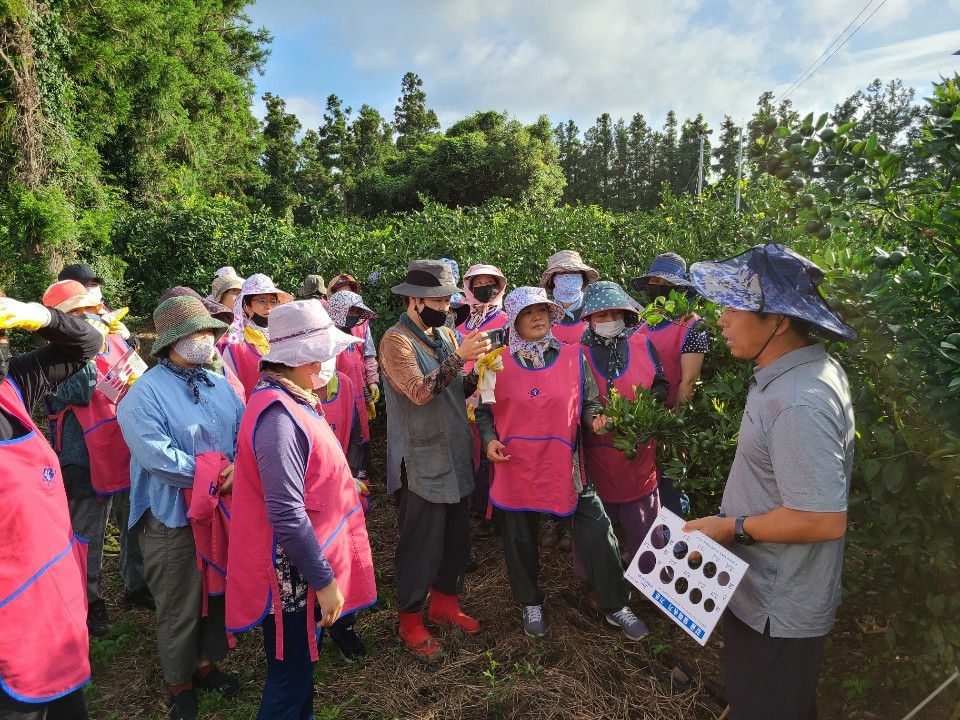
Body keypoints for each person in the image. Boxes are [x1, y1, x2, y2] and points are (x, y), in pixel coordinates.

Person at [683, 243, 856, 720]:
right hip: (764, 596)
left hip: (776, 612)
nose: (720, 320)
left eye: (734, 307)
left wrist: (729, 528)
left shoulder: (799, 400)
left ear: (778, 320)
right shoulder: (791, 376)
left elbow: (822, 520)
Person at [226, 301, 376, 719]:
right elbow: (287, 514)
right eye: (327, 353)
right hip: (290, 582)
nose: (334, 360)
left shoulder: (293, 399)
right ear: (307, 360)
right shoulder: (278, 417)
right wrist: (325, 581)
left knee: (301, 672)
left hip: (300, 572)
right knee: (289, 678)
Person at [474, 287, 648, 639]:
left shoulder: (573, 357)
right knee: (520, 537)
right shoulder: (493, 362)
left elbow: (589, 402)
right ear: (515, 319)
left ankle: (615, 603)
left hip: (566, 464)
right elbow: (483, 411)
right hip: (515, 463)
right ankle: (530, 602)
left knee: (598, 530)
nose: (538, 317)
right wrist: (490, 438)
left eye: (543, 310)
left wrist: (595, 417)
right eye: (528, 312)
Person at [117, 296, 245, 720]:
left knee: (216, 590)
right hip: (171, 516)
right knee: (178, 601)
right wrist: (215, 473)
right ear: (172, 340)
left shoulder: (218, 383)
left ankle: (206, 665)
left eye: (210, 331)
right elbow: (158, 458)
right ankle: (179, 683)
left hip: (221, 512)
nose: (207, 339)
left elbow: (243, 431)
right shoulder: (144, 395)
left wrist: (238, 468)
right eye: (198, 332)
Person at [379, 259, 491, 658]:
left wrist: (482, 373)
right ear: (412, 299)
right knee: (420, 543)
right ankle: (409, 620)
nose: (444, 306)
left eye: (446, 299)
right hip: (422, 458)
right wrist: (460, 357)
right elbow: (420, 391)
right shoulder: (396, 342)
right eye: (436, 299)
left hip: (455, 452)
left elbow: (453, 389)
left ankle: (446, 604)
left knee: (455, 539)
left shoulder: (443, 333)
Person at [0, 290, 102, 720]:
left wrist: (37, 315)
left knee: (64, 700)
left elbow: (86, 345)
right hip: (10, 608)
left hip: (47, 593)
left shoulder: (14, 383)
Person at [42, 281, 144, 638]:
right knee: (89, 532)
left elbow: (138, 378)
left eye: (89, 310)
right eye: (76, 313)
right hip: (81, 456)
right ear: (56, 320)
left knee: (132, 519)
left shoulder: (109, 338)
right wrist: (88, 348)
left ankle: (137, 584)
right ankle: (89, 601)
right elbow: (80, 392)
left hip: (121, 445)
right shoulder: (49, 359)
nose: (87, 318)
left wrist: (124, 344)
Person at [578, 281, 668, 574]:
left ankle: (650, 580)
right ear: (589, 319)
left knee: (643, 519)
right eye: (601, 316)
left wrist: (646, 406)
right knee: (598, 525)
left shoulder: (643, 345)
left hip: (638, 453)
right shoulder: (576, 354)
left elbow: (662, 385)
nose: (609, 321)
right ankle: (601, 582)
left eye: (615, 314)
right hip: (596, 456)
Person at [632, 252, 710, 515]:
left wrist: (675, 426)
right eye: (654, 282)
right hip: (644, 419)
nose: (657, 287)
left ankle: (676, 545)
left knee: (671, 486)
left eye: (664, 284)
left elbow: (689, 380)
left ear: (678, 288)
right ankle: (649, 541)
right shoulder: (646, 321)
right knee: (646, 486)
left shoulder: (692, 325)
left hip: (670, 418)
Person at [455, 264, 509, 540]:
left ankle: (492, 515)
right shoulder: (462, 324)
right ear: (469, 287)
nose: (484, 288)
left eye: (490, 283)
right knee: (470, 453)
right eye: (479, 283)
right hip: (464, 397)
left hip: (492, 397)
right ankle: (475, 507)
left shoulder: (506, 321)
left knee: (490, 451)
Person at [326, 290, 379, 471]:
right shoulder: (331, 342)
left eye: (357, 312)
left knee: (359, 439)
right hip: (341, 405)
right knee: (346, 443)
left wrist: (366, 394)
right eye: (351, 311)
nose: (354, 316)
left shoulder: (350, 338)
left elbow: (356, 372)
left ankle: (361, 477)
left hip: (357, 401)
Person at [221, 274, 293, 399]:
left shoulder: (287, 337)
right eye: (261, 300)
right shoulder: (235, 345)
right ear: (246, 306)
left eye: (273, 301)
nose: (268, 306)